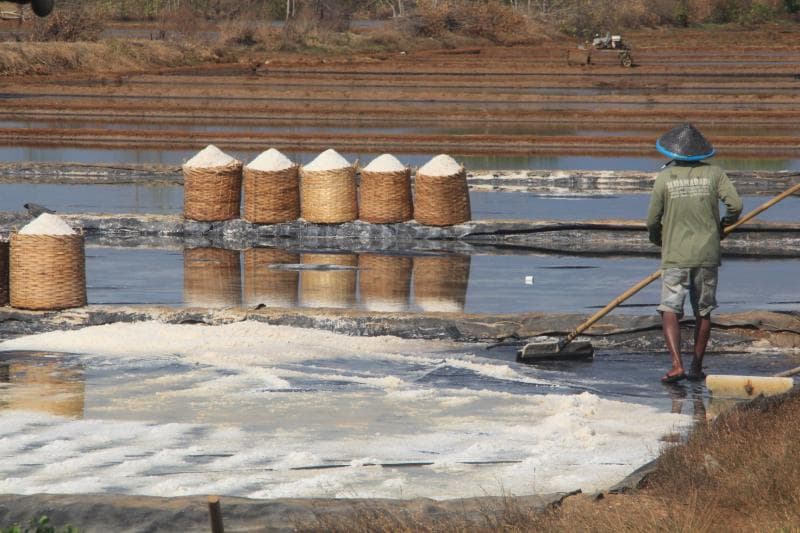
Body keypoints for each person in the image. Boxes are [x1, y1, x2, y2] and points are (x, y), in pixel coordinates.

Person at [646, 123, 742, 383]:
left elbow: (653, 220)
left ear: (674, 152)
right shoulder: (715, 174)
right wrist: (723, 226)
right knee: (704, 311)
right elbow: (736, 205)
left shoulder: (665, 178)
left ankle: (677, 365)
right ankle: (696, 367)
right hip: (707, 253)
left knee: (669, 309)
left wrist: (659, 240)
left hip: (676, 254)